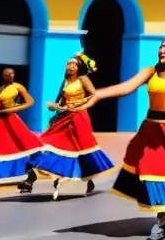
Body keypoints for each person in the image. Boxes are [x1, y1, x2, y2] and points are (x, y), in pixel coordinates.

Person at [74, 31, 165, 240]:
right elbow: (127, 87)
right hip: (151, 130)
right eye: (161, 47)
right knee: (152, 171)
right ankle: (161, 220)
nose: (162, 50)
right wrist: (98, 94)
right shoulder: (150, 71)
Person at [23, 53, 115, 198]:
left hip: (79, 117)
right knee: (49, 143)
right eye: (68, 64)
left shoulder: (83, 79)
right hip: (64, 118)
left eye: (74, 64)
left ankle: (88, 177)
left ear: (79, 67)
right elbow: (60, 102)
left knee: (81, 148)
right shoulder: (65, 82)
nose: (71, 67)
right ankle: (41, 176)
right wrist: (55, 107)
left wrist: (77, 104)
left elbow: (94, 95)